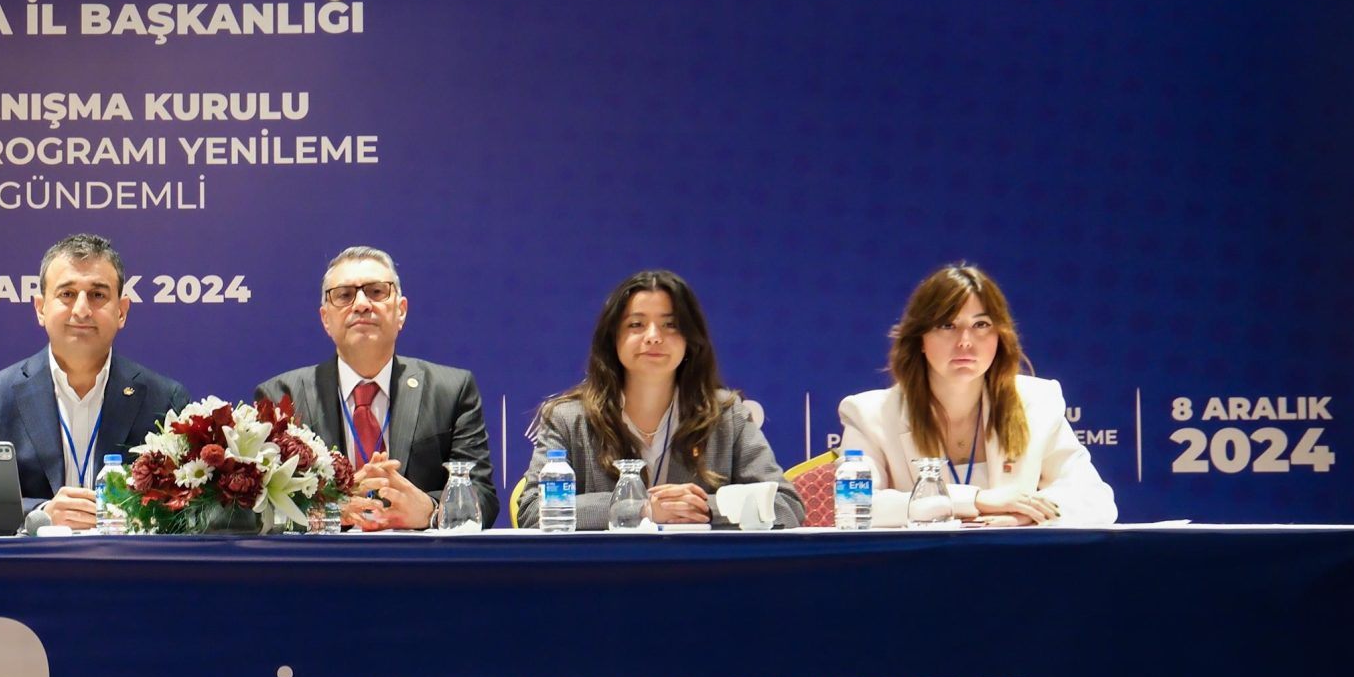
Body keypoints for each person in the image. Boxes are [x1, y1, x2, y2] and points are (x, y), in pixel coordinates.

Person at [516, 269, 803, 530]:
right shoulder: (568, 418)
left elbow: (786, 506)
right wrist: (640, 509)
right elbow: (533, 511)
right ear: (613, 338)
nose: (653, 336)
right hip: (605, 569)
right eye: (636, 324)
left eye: (670, 325)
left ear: (690, 339)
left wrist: (705, 508)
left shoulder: (726, 415)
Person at [838, 262, 1117, 526]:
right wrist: (975, 500)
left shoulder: (1038, 402)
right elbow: (853, 505)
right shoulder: (870, 414)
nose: (965, 341)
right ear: (919, 339)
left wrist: (1031, 515)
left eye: (981, 325)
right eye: (947, 325)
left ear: (1000, 336)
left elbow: (1095, 498)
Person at [0, 234, 192, 531]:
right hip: (29, 559)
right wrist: (42, 513)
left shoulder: (165, 399)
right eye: (67, 294)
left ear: (122, 311)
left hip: (127, 558)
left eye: (97, 295)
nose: (81, 310)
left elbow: (185, 504)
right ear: (40, 308)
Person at [254, 246, 494, 529]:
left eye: (376, 292)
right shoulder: (282, 397)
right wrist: (330, 510)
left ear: (401, 311)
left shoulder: (451, 390)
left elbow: (483, 497)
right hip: (323, 557)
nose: (361, 304)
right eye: (344, 295)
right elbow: (260, 508)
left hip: (419, 556)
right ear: (326, 319)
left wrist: (431, 511)